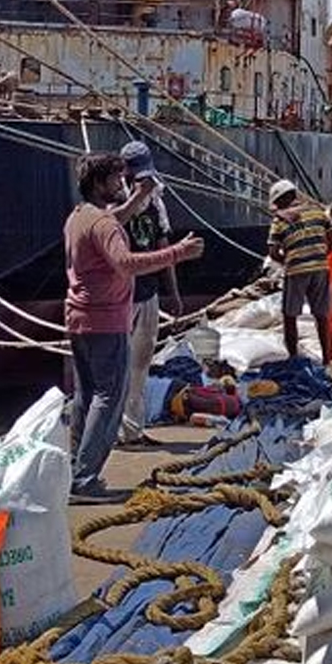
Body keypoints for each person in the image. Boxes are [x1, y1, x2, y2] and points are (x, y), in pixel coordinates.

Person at [64, 152, 203, 504]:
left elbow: (110, 221)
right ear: (99, 184)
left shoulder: (80, 217)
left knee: (85, 396)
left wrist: (141, 198)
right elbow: (124, 263)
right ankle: (85, 479)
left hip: (78, 317)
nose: (122, 185)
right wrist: (177, 253)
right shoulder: (105, 224)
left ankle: (72, 469)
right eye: (116, 180)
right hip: (106, 319)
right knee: (110, 396)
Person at [115, 141, 185, 449]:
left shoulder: (156, 203)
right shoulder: (114, 204)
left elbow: (162, 247)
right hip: (119, 297)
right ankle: (113, 430)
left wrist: (173, 292)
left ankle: (133, 430)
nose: (142, 182)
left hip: (148, 293)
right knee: (117, 366)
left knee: (140, 365)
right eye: (136, 176)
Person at [266, 179, 332, 362]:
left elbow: (273, 253)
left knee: (290, 316)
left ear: (281, 200)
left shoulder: (279, 220)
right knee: (321, 316)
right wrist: (319, 255)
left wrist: (289, 261)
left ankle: (293, 359)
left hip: (296, 270)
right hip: (321, 268)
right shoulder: (318, 212)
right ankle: (327, 360)